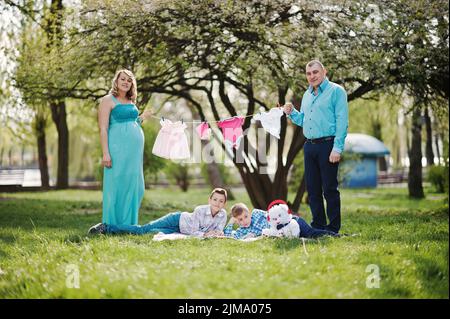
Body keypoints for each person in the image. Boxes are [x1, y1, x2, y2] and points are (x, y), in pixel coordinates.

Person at [282, 60, 348, 233]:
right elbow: (303, 120)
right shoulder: (307, 95)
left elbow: (342, 121)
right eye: (309, 73)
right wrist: (291, 113)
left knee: (329, 190)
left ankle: (333, 229)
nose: (312, 76)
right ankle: (318, 227)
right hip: (309, 146)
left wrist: (337, 148)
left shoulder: (336, 91)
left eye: (315, 72)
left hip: (328, 145)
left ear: (324, 72)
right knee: (312, 190)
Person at [97, 69, 152, 227]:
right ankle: (113, 224)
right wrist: (105, 153)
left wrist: (142, 117)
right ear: (116, 80)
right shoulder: (108, 100)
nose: (126, 82)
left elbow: (132, 123)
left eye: (129, 80)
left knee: (136, 186)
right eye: (123, 79)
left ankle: (129, 223)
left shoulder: (130, 102)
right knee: (116, 185)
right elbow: (103, 129)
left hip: (133, 152)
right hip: (116, 149)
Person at [88, 188, 228, 237]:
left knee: (151, 233)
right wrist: (206, 234)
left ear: (224, 204)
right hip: (176, 220)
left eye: (221, 201)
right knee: (143, 230)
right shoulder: (200, 210)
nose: (217, 203)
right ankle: (105, 227)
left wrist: (216, 233)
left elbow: (219, 231)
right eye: (215, 199)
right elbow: (194, 231)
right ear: (209, 200)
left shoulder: (223, 215)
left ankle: (111, 230)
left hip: (179, 232)